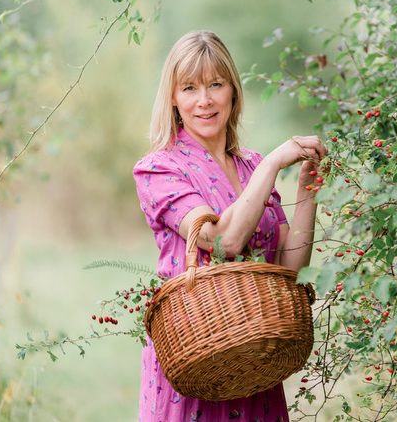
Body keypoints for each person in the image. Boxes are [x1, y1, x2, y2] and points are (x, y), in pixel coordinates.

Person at [132, 30, 327, 421]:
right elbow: (224, 241)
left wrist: (307, 191)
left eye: (215, 85)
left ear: (232, 91)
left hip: (255, 359)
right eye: (189, 88)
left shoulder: (250, 165)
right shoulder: (159, 169)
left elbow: (291, 266)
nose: (203, 100)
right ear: (173, 97)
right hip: (196, 362)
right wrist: (273, 164)